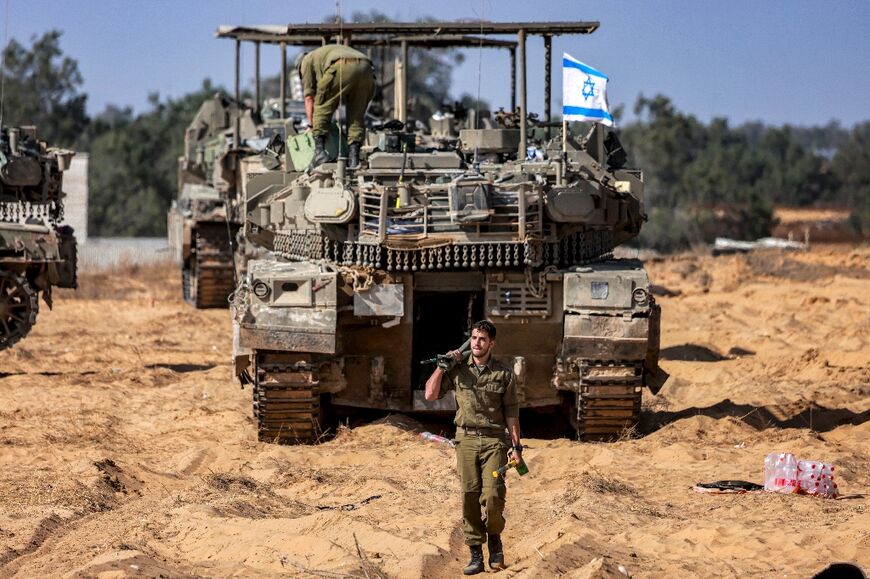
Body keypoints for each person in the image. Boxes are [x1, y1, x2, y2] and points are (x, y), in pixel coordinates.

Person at [425, 320, 523, 575]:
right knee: (469, 496)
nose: (477, 343)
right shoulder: (458, 370)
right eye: (474, 338)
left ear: (492, 343)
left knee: (492, 496)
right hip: (466, 440)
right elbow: (430, 394)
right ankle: (476, 553)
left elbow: (511, 413)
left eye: (482, 339)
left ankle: (495, 538)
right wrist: (441, 367)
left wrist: (516, 447)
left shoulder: (504, 374)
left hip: (494, 442)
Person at [297, 44, 375, 170]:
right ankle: (353, 158)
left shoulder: (306, 61)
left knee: (321, 106)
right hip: (366, 68)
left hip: (342, 65)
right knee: (356, 115)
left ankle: (319, 153)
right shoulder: (323, 54)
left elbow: (309, 98)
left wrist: (312, 126)